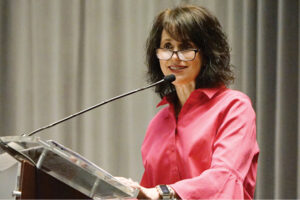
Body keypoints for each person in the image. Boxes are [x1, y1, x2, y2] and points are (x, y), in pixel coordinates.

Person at [122, 5, 259, 199]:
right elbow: (147, 193)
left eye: (185, 47)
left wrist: (162, 193)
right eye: (167, 47)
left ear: (206, 53)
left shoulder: (234, 107)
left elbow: (224, 179)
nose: (174, 57)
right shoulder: (157, 125)